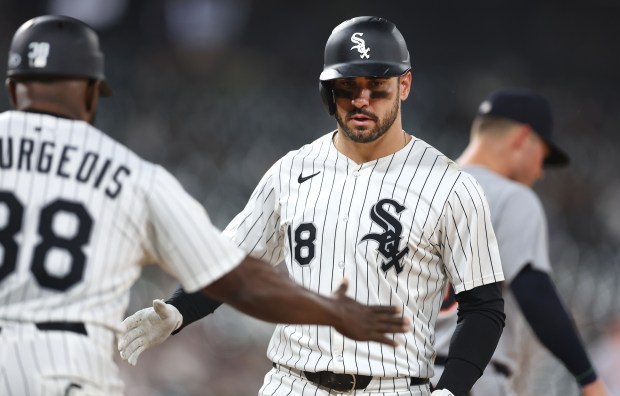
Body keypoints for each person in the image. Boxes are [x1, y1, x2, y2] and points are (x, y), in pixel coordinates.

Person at [0, 15, 411, 396]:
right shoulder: (131, 176)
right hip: (66, 370)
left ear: (13, 87)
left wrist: (180, 310)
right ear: (92, 93)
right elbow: (235, 275)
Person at [118, 16, 506, 396]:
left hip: (392, 387)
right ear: (328, 90)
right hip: (292, 383)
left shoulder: (450, 185)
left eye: (377, 86)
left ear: (404, 85)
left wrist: (451, 390)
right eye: (347, 86)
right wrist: (179, 310)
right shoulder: (291, 171)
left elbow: (484, 307)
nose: (361, 99)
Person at [431, 89, 610, 396]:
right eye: (542, 155)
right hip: (470, 382)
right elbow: (535, 293)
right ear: (522, 138)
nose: (541, 172)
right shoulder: (511, 198)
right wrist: (589, 379)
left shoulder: (410, 192)